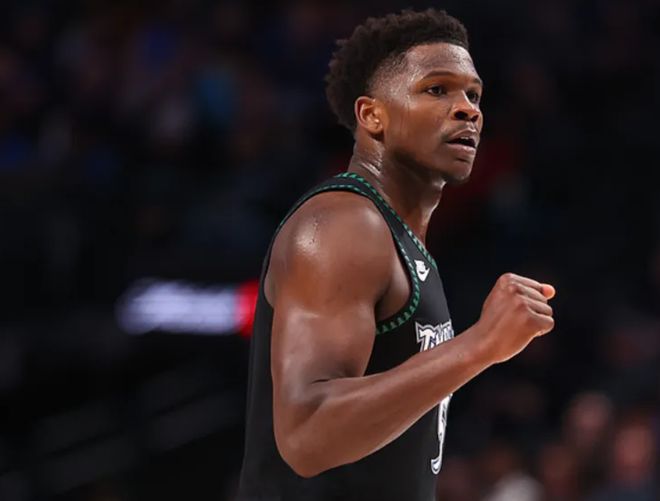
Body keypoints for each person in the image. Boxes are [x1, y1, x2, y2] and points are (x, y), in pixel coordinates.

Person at [236, 8, 555, 501]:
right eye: (437, 89)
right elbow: (306, 432)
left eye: (474, 95)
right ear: (372, 116)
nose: (467, 109)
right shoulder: (344, 225)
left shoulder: (401, 239)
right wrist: (480, 345)